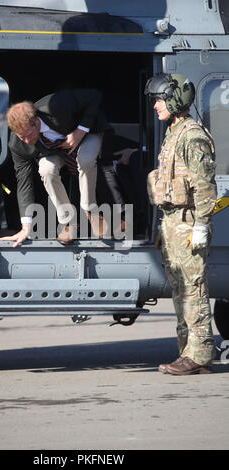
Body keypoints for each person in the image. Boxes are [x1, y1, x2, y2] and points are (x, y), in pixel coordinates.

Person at [144, 73, 217, 375]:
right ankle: (188, 352)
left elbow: (204, 187)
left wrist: (201, 225)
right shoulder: (173, 132)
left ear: (174, 101)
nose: (155, 106)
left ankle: (199, 354)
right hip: (173, 222)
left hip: (188, 223)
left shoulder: (192, 135)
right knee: (180, 290)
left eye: (159, 100)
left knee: (193, 289)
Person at [0, 89, 110, 246]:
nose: (26, 140)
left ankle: (90, 211)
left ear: (36, 122)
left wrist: (80, 131)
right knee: (45, 168)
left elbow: (95, 96)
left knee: (84, 159)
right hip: (58, 150)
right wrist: (26, 227)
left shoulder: (57, 106)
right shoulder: (17, 145)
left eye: (29, 134)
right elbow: (24, 183)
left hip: (87, 134)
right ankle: (68, 222)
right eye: (21, 136)